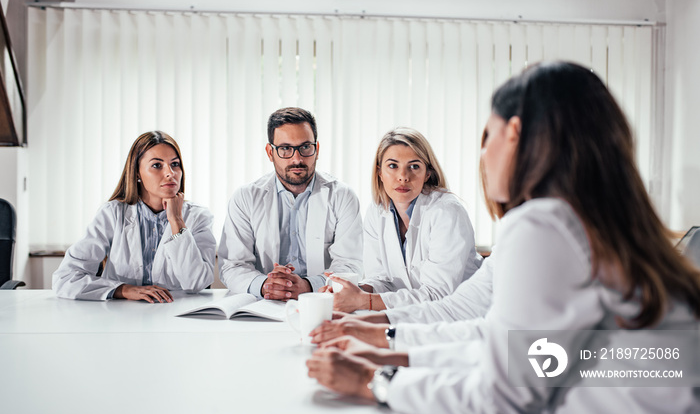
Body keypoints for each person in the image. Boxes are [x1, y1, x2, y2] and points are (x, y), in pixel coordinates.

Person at [307, 62, 700, 414]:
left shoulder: (544, 225)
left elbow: (504, 399)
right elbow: (495, 335)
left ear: (513, 133)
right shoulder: (593, 218)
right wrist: (387, 343)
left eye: (486, 136)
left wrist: (371, 382)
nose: (483, 155)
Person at [323, 127, 482, 313]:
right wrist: (355, 291)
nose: (403, 177)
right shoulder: (377, 211)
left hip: (467, 315)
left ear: (427, 173)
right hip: (418, 317)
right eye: (393, 166)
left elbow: (438, 295)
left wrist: (364, 301)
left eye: (414, 166)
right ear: (380, 173)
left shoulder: (446, 212)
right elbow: (383, 280)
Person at [218, 107, 363, 301]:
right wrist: (265, 285)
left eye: (305, 147)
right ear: (270, 152)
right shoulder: (245, 198)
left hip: (323, 301)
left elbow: (350, 265)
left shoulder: (342, 196)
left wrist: (308, 285)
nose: (297, 159)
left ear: (317, 149)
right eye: (285, 148)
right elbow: (233, 265)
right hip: (261, 303)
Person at [53, 131, 216, 302]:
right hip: (120, 315)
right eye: (157, 165)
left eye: (174, 164)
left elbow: (197, 282)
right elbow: (65, 278)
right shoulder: (113, 213)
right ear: (137, 172)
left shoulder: (198, 216)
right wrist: (123, 290)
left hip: (176, 314)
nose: (170, 173)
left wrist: (176, 220)